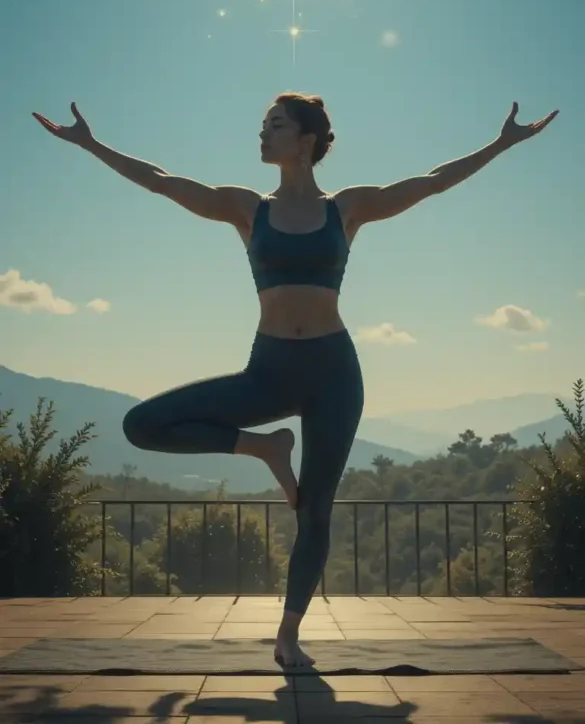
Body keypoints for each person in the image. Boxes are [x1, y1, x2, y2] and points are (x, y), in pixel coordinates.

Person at [33, 92, 557, 666]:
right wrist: (90, 144)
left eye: (274, 125)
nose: (262, 134)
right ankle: (262, 445)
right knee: (142, 424)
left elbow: (432, 181)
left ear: (305, 139)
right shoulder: (246, 208)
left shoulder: (348, 208)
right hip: (270, 371)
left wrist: (501, 144)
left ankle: (288, 634)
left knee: (316, 510)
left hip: (335, 373)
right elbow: (160, 179)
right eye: (263, 125)